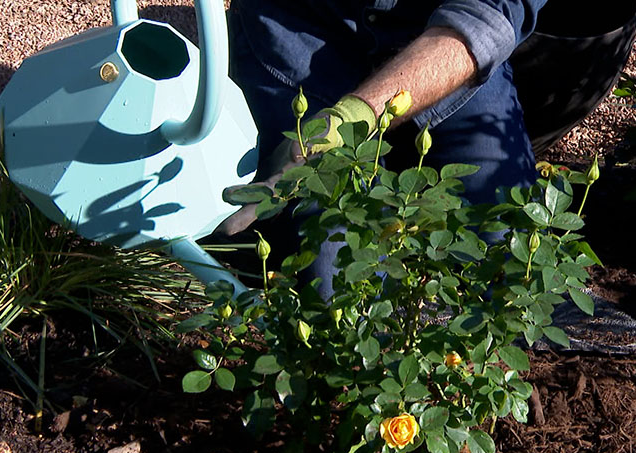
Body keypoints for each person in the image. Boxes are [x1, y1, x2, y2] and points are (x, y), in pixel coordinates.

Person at [214, 1, 549, 294]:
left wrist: (351, 119)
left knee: (511, 254)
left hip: (443, 39)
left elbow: (492, 13)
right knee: (338, 282)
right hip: (301, 35)